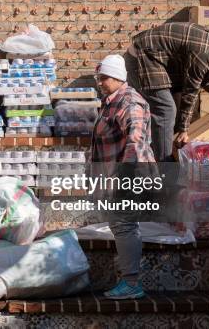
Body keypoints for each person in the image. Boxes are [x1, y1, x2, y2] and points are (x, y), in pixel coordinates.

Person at [123, 22, 209, 161]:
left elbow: (201, 75)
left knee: (178, 106)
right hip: (142, 57)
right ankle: (165, 166)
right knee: (166, 109)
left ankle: (174, 155)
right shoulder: (204, 53)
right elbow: (191, 92)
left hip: (158, 58)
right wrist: (184, 129)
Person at [91, 54, 156, 300]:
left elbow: (136, 140)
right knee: (121, 224)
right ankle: (129, 281)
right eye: (99, 77)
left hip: (128, 174)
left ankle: (132, 283)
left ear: (118, 77)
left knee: (124, 224)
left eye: (104, 77)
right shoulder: (111, 101)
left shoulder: (129, 102)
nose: (100, 81)